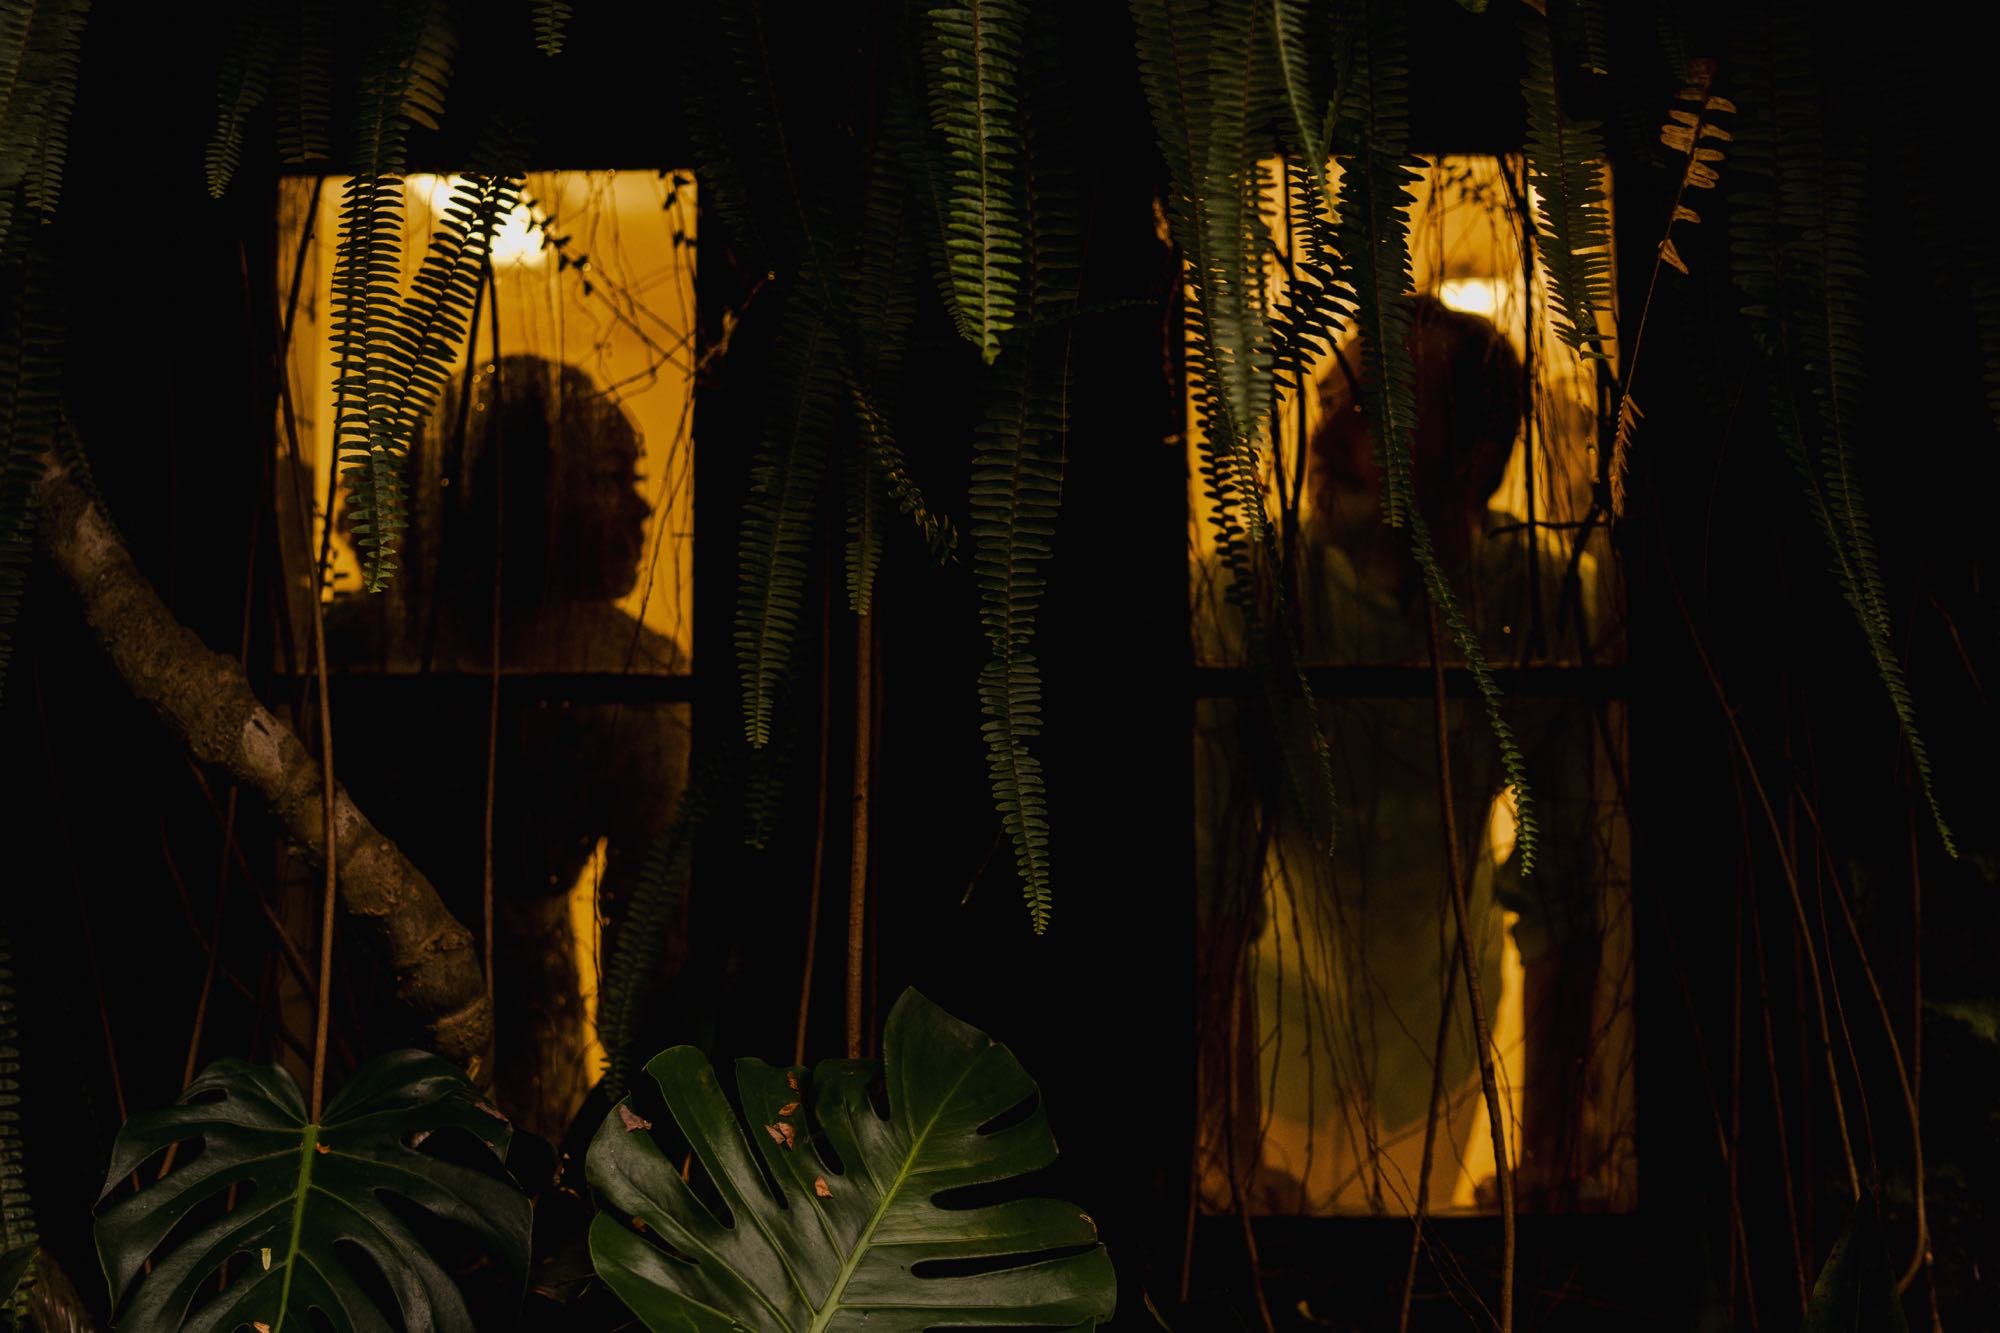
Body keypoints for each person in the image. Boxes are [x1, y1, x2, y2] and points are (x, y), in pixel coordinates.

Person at [1196, 296, 1608, 1215]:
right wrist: (1223, 1142)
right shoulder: (1251, 594)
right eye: (1327, 401)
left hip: (1447, 1046)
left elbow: (1566, 885)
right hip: (1274, 1045)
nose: (1322, 436)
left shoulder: (1537, 601)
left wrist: (1549, 1151)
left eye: (1370, 412)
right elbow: (1206, 884)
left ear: (1472, 462)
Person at [323, 355, 689, 1141]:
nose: (643, 507)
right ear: (526, 495)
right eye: (612, 479)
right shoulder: (357, 651)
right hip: (366, 1025)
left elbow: (654, 934)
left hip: (514, 1033)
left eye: (633, 478)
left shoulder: (638, 676)